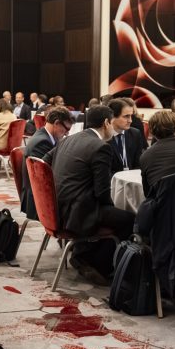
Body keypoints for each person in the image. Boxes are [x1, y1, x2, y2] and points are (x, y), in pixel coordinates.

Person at [43, 105, 135, 284]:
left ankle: (82, 254)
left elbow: (44, 160)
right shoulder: (100, 147)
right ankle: (99, 265)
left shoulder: (68, 139)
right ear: (106, 123)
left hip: (56, 208)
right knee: (129, 219)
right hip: (77, 213)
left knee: (111, 213)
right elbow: (102, 193)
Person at [21, 106, 73, 220]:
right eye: (66, 129)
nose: (67, 134)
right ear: (56, 123)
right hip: (38, 199)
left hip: (43, 192)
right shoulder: (42, 142)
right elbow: (46, 176)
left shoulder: (46, 137)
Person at [108, 98, 146, 173]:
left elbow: (138, 163)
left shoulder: (135, 134)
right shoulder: (103, 137)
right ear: (112, 117)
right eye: (126, 116)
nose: (130, 120)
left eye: (131, 116)